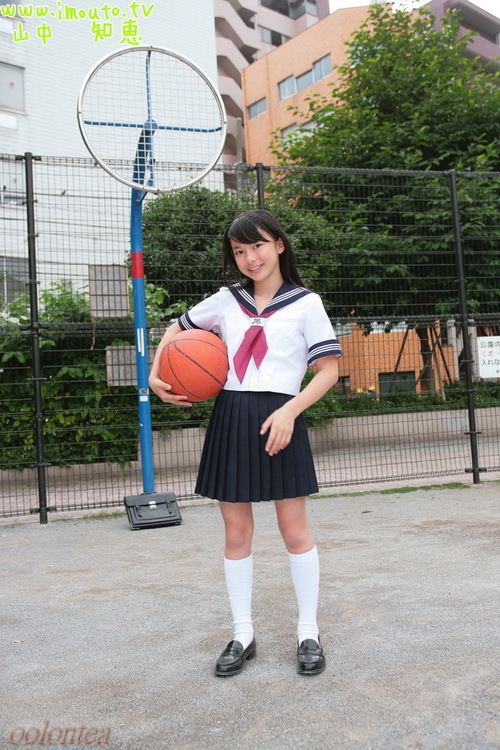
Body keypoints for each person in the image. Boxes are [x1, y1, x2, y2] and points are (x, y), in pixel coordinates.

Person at [149, 209, 342, 677]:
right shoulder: (226, 300)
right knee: (236, 533)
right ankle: (242, 634)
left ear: (279, 244)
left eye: (257, 245)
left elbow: (329, 371)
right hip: (232, 416)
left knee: (294, 530)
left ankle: (308, 632)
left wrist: (291, 410)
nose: (250, 258)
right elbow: (177, 329)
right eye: (239, 251)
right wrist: (155, 375)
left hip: (281, 418)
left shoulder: (306, 303)